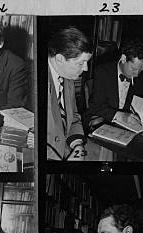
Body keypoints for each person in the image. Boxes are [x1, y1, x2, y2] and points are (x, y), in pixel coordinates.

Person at [84, 40, 143, 133]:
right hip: (103, 120)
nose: (137, 75)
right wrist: (119, 115)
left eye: (141, 70)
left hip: (128, 126)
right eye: (134, 69)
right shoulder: (102, 72)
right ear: (123, 58)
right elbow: (95, 106)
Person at [47, 27, 92, 160]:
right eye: (80, 63)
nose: (86, 69)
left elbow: (74, 117)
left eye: (87, 62)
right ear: (60, 58)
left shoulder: (68, 78)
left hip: (65, 149)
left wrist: (78, 146)